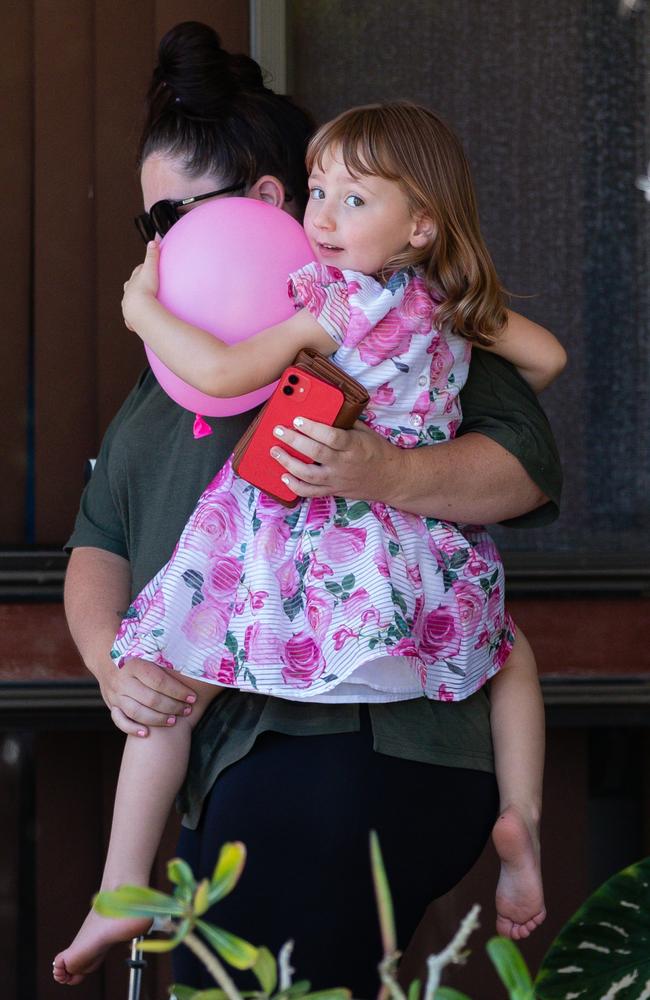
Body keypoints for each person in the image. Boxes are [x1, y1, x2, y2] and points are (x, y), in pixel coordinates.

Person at [55, 23, 561, 995]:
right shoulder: (173, 381)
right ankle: (520, 820)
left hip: (344, 738)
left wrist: (374, 467)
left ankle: (117, 886)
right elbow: (101, 536)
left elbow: (521, 463)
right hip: (226, 750)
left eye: (172, 218)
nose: (160, 245)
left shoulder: (345, 309)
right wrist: (110, 666)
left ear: (260, 203)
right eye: (146, 229)